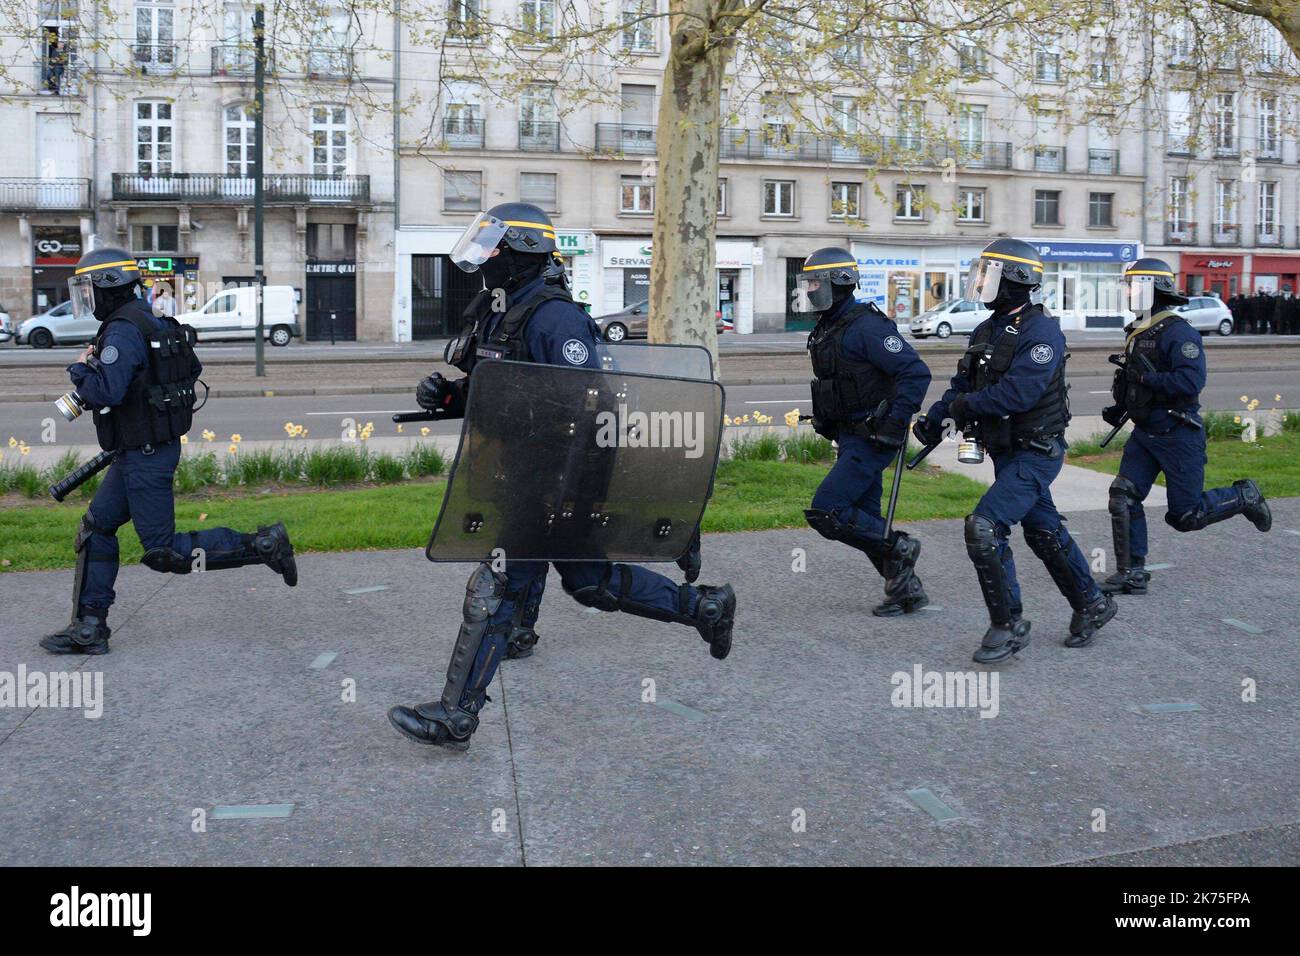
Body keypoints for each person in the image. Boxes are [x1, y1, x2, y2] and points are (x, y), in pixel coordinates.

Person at [387, 203, 736, 751]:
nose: (486, 260)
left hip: (554, 478)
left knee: (496, 588)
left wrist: (562, 492)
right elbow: (502, 387)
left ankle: (456, 715)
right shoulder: (503, 310)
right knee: (590, 584)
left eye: (495, 249)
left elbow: (587, 408)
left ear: (521, 253)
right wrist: (450, 394)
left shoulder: (556, 319)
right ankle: (704, 607)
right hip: (524, 473)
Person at [40, 247, 297, 656]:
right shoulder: (148, 319)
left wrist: (80, 368)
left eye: (88, 288)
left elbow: (108, 390)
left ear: (107, 287)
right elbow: (182, 372)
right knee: (96, 529)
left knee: (164, 552)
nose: (87, 298)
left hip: (145, 454)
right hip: (138, 450)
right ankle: (89, 628)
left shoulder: (123, 330)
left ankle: (263, 545)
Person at [913, 238, 1116, 663]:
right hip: (1006, 452)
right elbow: (962, 386)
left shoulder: (1042, 332)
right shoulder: (987, 329)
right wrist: (934, 420)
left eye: (988, 274)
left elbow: (1017, 394)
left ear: (1014, 280)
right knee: (1043, 531)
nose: (981, 281)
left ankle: (1008, 625)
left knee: (984, 528)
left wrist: (962, 407)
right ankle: (1093, 603)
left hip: (1036, 451)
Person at [1097, 258, 1271, 596]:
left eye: (1135, 287)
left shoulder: (1178, 332)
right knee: (1122, 496)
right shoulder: (1140, 330)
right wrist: (1120, 406)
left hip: (1178, 433)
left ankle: (1243, 496)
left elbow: (1190, 381)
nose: (1129, 293)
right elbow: (1132, 382)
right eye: (1128, 286)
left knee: (1186, 516)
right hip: (1146, 433)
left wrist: (1146, 378)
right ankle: (1132, 572)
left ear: (1154, 290)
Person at [795, 247, 932, 616]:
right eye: (806, 283)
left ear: (837, 283)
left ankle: (900, 545)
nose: (808, 290)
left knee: (829, 510)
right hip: (851, 435)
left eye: (814, 283)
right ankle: (907, 592)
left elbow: (915, 373)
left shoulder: (867, 327)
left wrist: (894, 423)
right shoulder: (830, 325)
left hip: (874, 436)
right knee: (866, 518)